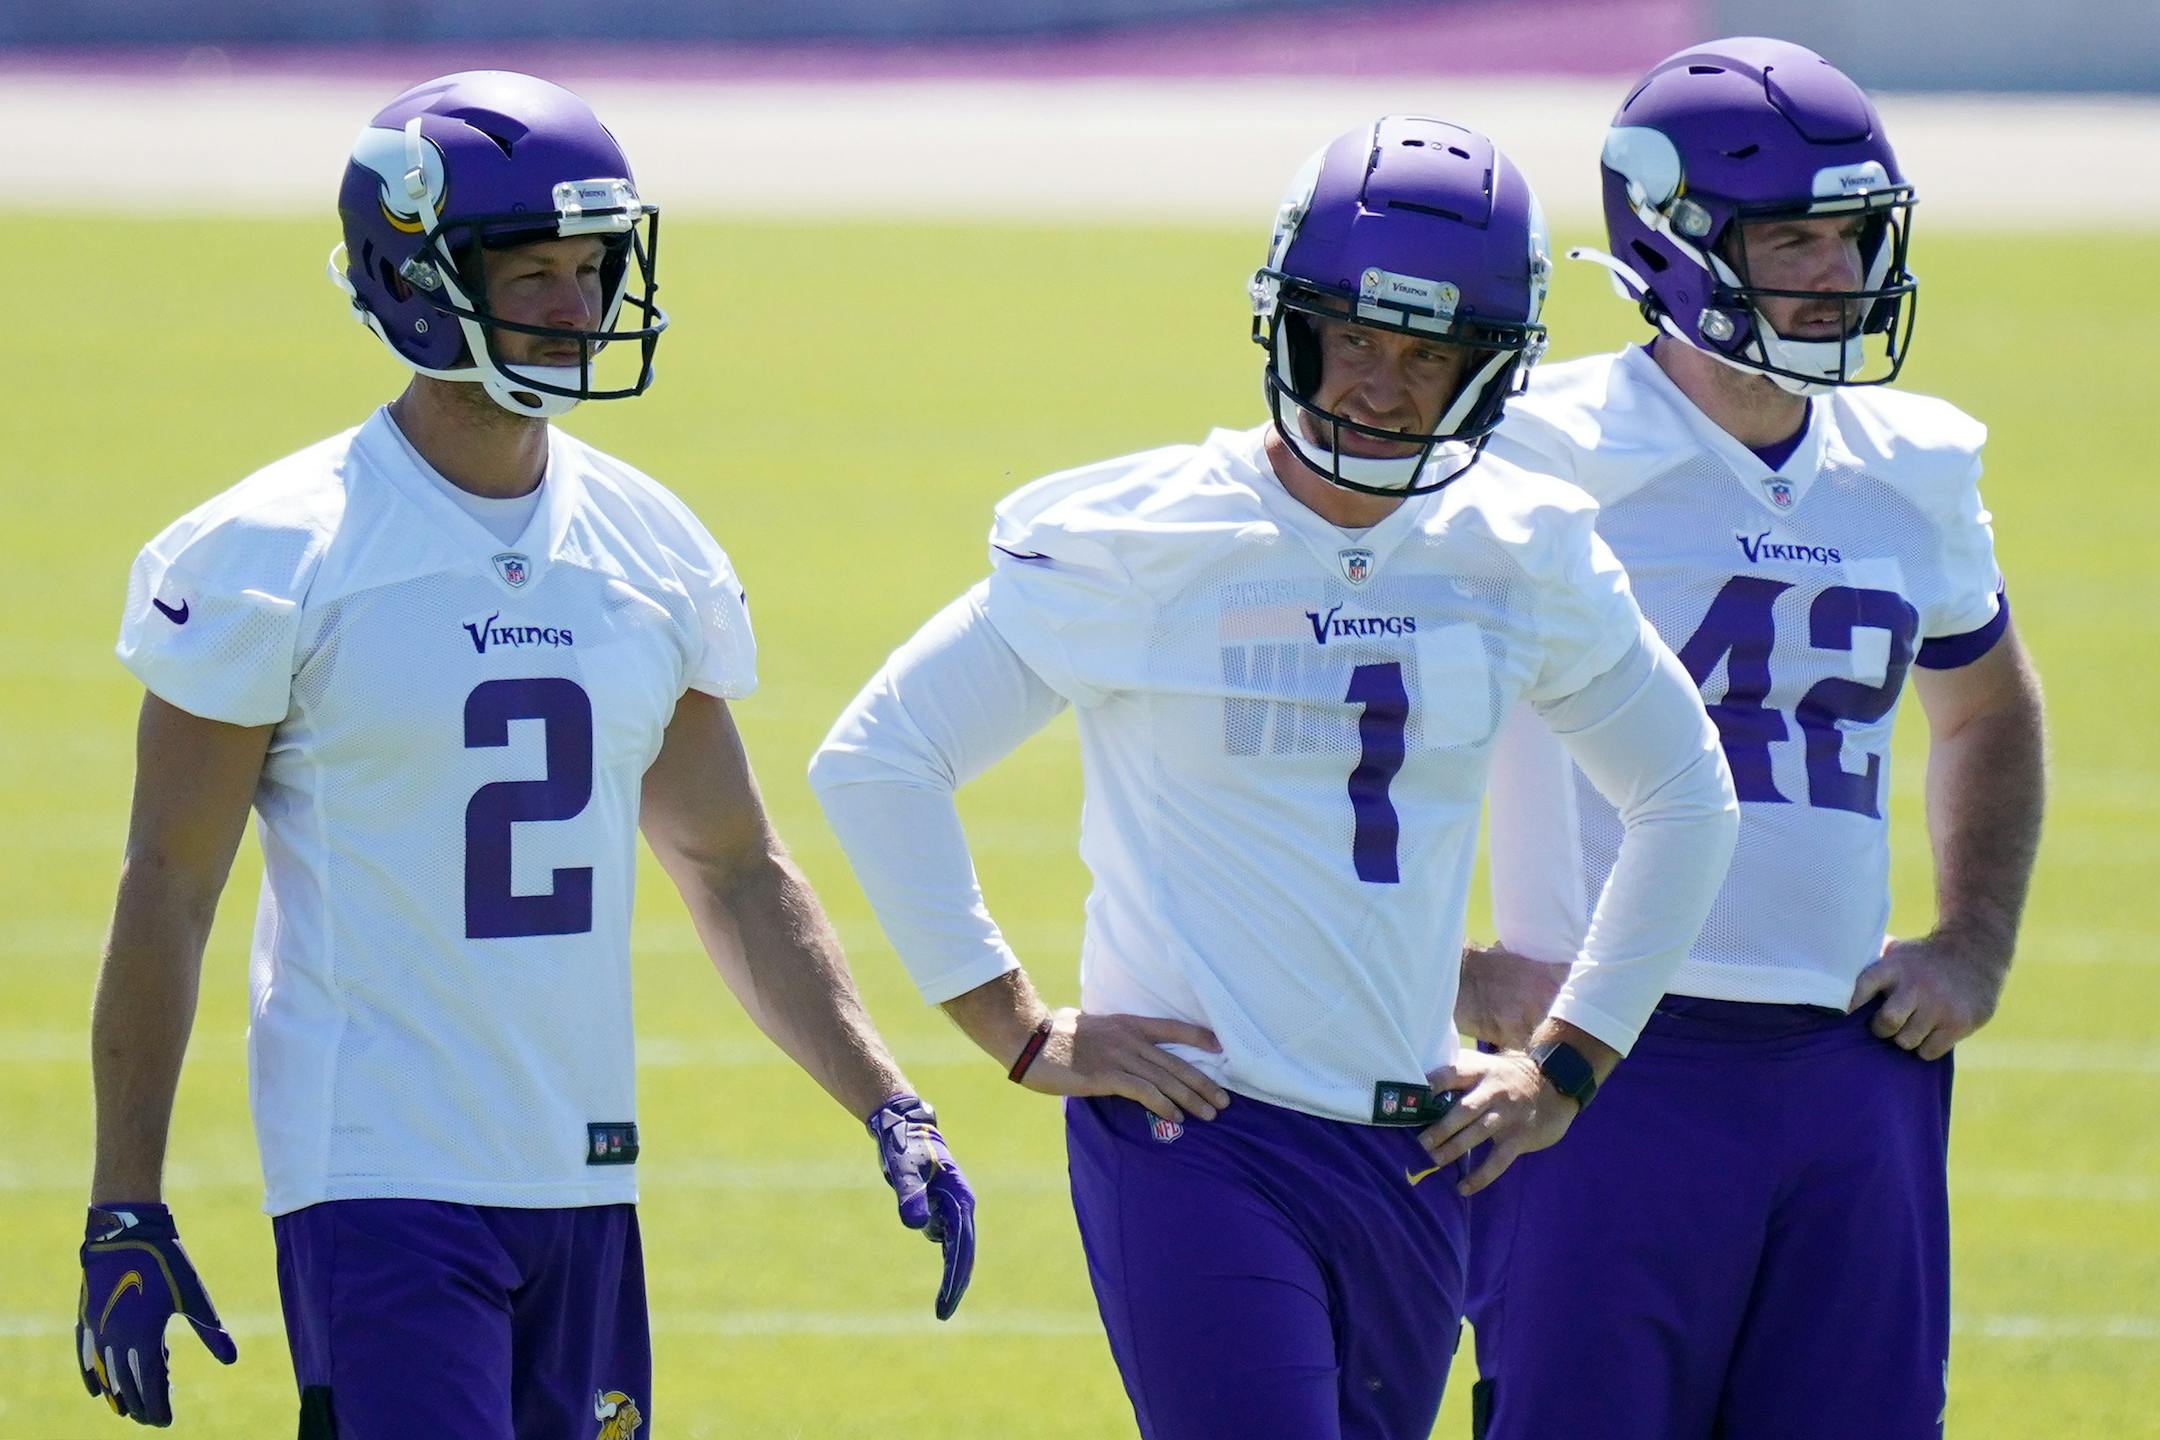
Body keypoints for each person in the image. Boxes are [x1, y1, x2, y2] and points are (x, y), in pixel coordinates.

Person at [808, 115, 1739, 1440]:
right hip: (1201, 1139)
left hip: (1419, 1145)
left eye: (1427, 354)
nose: (1379, 384)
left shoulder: (1515, 551)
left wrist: (1566, 1067)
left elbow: (1686, 794)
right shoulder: (1155, 539)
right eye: (1354, 335)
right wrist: (1020, 1029)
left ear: (1492, 370)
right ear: (1287, 319)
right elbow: (879, 757)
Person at [76, 70, 973, 1436]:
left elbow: (733, 870)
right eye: (534, 271)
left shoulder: (647, 547)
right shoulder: (276, 555)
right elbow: (169, 889)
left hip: (584, 1177)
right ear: (416, 275)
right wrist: (123, 1202)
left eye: (592, 266)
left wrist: (887, 1099)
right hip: (377, 1181)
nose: (575, 305)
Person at [1459, 38, 2048, 1439]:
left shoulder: (1912, 464)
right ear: (1669, 241)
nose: (1838, 272)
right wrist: (1452, 964)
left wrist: (1974, 940)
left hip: (1849, 1065)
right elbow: (1365, 721)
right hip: (1597, 1065)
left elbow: (1985, 703)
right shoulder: (1536, 454)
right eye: (1793, 234)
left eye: (1854, 235)